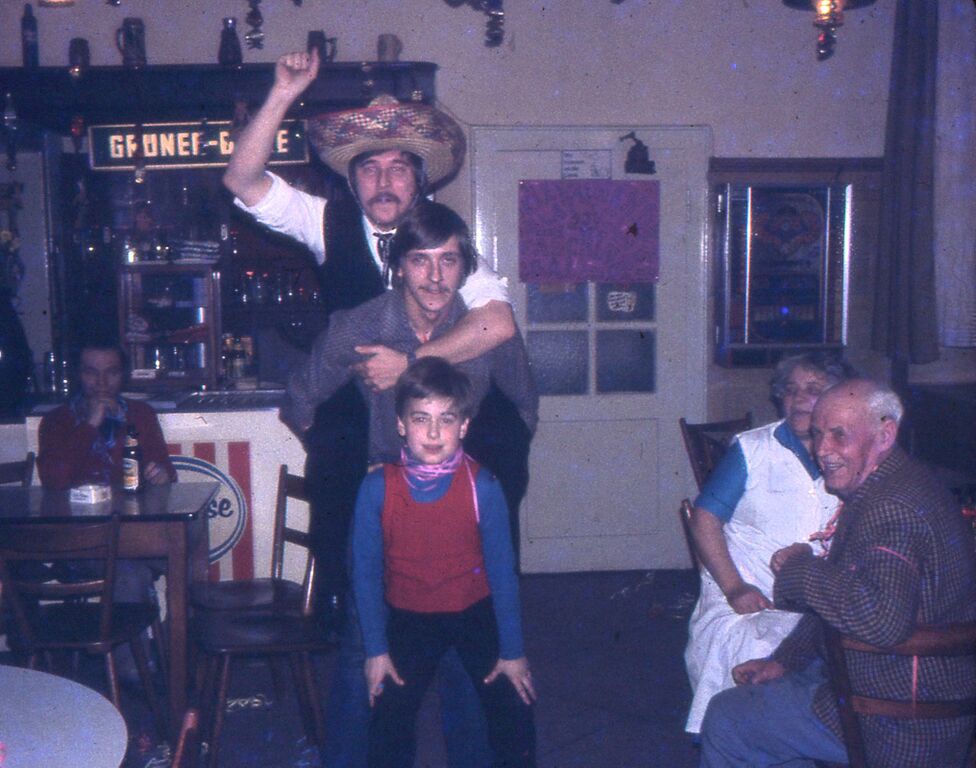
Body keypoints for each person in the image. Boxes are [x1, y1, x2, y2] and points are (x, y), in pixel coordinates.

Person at [223, 48, 518, 616]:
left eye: (398, 169)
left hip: (434, 392)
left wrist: (411, 363)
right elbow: (241, 178)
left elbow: (498, 323)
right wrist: (283, 93)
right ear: (352, 180)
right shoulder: (323, 221)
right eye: (369, 169)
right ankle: (345, 611)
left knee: (500, 453)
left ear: (419, 181)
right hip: (354, 390)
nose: (383, 183)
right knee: (334, 460)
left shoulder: (444, 239)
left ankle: (481, 608)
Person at [280, 200, 538, 768]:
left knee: (472, 654)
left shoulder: (483, 330)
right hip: (390, 503)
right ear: (399, 266)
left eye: (449, 260)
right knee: (367, 646)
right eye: (421, 260)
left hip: (462, 503)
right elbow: (299, 399)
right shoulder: (362, 326)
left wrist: (495, 475)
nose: (436, 276)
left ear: (465, 268)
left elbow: (524, 403)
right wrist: (344, 462)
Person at [700, 379, 976, 768]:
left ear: (885, 435)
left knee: (728, 718)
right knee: (758, 705)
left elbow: (879, 620)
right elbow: (850, 596)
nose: (823, 449)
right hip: (903, 685)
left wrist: (798, 569)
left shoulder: (891, 508)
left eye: (838, 435)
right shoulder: (893, 482)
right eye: (817, 434)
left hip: (899, 717)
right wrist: (785, 661)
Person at [352, 358, 536, 767]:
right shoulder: (377, 487)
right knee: (387, 718)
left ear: (464, 426)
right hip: (409, 618)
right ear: (401, 424)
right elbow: (364, 574)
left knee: (515, 706)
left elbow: (503, 575)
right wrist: (376, 650)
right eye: (421, 419)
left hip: (474, 612)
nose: (434, 433)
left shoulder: (483, 485)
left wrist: (513, 652)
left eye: (446, 419)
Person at [683, 352, 856, 733]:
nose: (798, 399)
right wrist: (735, 587)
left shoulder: (851, 451)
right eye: (790, 390)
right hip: (749, 595)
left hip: (823, 597)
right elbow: (704, 519)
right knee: (765, 652)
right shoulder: (754, 449)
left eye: (813, 389)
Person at [35, 340, 177, 681]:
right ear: (78, 374)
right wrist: (90, 425)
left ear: (122, 375)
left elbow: (167, 471)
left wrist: (161, 474)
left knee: (192, 539)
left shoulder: (140, 414)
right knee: (129, 573)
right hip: (83, 543)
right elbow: (54, 480)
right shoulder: (56, 421)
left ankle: (179, 645)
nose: (101, 383)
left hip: (137, 532)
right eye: (91, 373)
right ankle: (133, 672)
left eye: (111, 373)